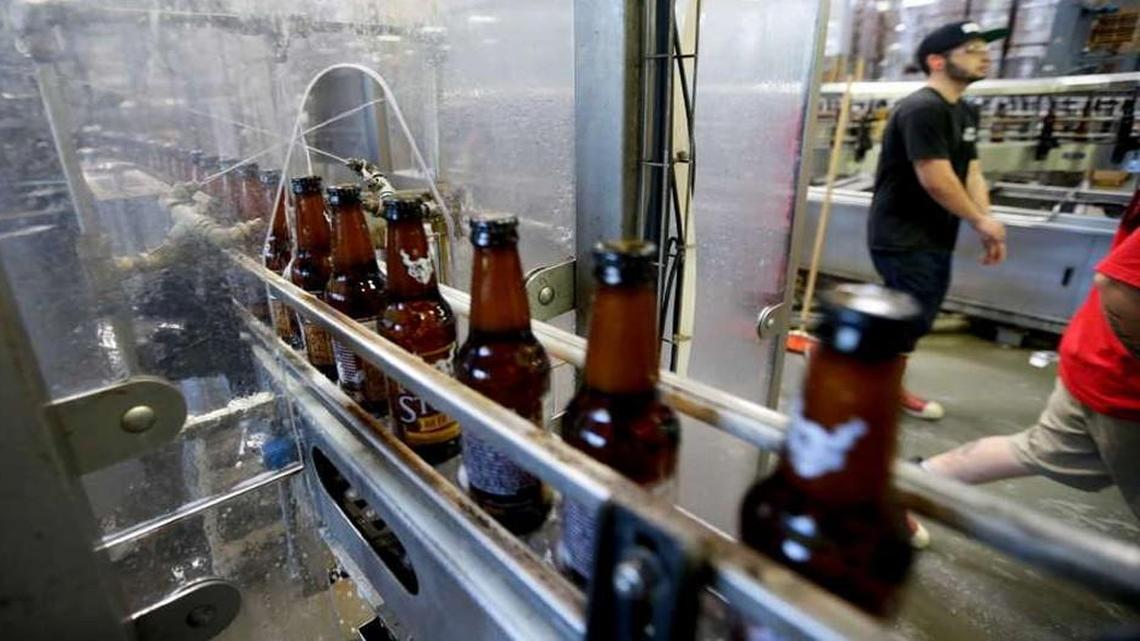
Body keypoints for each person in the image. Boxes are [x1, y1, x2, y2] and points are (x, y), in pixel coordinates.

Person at [919, 190, 1140, 523]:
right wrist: (980, 219)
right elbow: (1119, 287)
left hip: (1098, 355)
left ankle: (909, 480)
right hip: (1122, 377)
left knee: (1035, 448)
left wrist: (982, 214)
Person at [868, 21, 1010, 420]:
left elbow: (971, 171)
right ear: (936, 60)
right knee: (909, 317)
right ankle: (879, 388)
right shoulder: (922, 108)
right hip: (903, 233)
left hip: (932, 234)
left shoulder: (963, 110)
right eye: (971, 49)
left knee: (912, 314)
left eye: (985, 48)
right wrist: (980, 223)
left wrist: (985, 219)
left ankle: (870, 379)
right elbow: (935, 176)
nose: (985, 55)